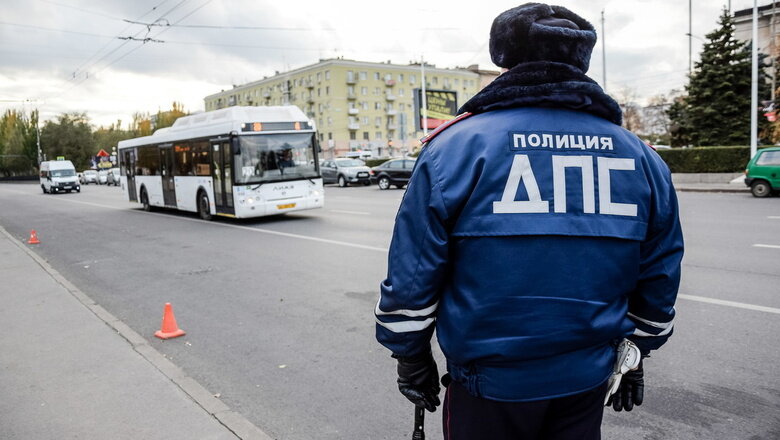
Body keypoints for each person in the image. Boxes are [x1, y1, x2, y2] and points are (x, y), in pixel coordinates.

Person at [374, 3, 683, 439]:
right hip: (586, 380)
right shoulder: (641, 156)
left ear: (506, 59)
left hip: (489, 386)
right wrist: (637, 352)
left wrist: (409, 354)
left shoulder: (455, 147)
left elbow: (413, 271)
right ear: (582, 60)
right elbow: (661, 270)